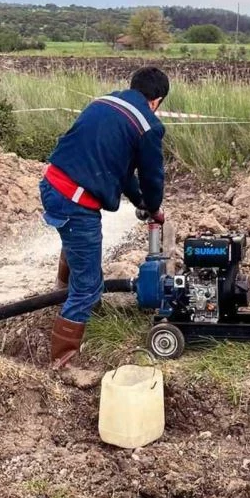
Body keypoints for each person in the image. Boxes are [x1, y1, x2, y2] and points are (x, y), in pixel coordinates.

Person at [40, 66, 169, 367]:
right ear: (156, 100)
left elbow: (121, 171)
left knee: (76, 245)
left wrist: (141, 203)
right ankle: (63, 362)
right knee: (88, 287)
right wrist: (154, 205)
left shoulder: (105, 103)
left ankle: (60, 299)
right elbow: (152, 178)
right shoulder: (149, 126)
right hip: (74, 200)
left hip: (52, 184)